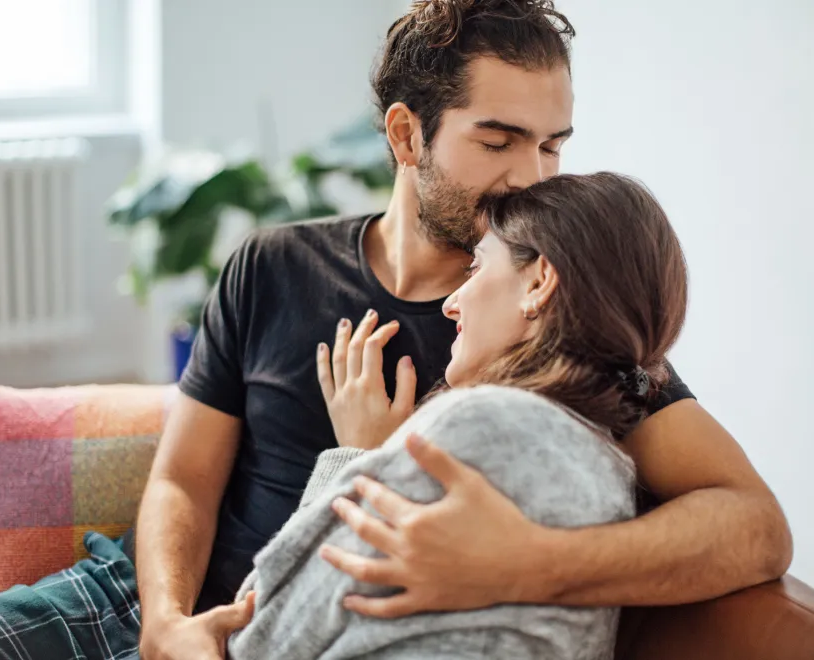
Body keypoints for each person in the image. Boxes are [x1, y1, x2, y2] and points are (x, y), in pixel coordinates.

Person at [0, 1, 791, 659]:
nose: (530, 178)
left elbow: (754, 526)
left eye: (552, 146)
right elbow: (184, 481)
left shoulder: (552, 317)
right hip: (131, 599)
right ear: (405, 133)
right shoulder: (272, 265)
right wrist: (164, 622)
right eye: (499, 140)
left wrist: (523, 562)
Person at [227, 171, 688, 660]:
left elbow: (258, 628)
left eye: (475, 268)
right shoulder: (611, 467)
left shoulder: (479, 423)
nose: (450, 303)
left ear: (538, 281)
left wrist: (357, 457)